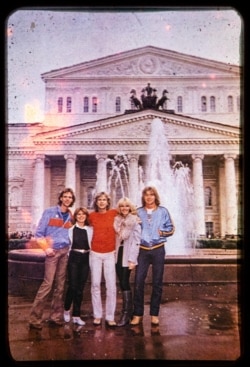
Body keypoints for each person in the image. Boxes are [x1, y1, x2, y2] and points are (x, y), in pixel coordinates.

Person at [29, 188, 76, 329]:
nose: (67, 199)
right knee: (48, 284)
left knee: (60, 285)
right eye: (65, 196)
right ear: (60, 198)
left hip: (64, 251)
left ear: (72, 200)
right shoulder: (49, 212)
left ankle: (55, 316)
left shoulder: (70, 215)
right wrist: (46, 248)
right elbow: (38, 234)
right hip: (52, 252)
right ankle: (34, 318)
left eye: (70, 197)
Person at [130, 186, 175, 326]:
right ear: (143, 197)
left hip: (158, 249)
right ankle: (137, 314)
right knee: (138, 282)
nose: (149, 197)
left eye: (152, 195)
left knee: (157, 282)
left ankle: (154, 314)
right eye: (146, 195)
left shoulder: (163, 211)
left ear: (155, 197)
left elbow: (171, 228)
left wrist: (162, 232)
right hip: (142, 250)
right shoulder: (138, 212)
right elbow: (132, 229)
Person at [88, 191, 118, 327]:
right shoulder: (91, 216)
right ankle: (97, 315)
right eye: (99, 200)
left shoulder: (114, 213)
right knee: (95, 284)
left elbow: (128, 213)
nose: (101, 202)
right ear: (96, 202)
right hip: (95, 253)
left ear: (108, 202)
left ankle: (110, 316)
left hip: (110, 253)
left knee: (111, 286)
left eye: (104, 200)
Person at [113, 197, 141, 326]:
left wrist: (132, 260)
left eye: (127, 206)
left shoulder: (134, 221)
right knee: (122, 282)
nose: (124, 208)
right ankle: (127, 312)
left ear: (130, 208)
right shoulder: (117, 220)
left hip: (128, 255)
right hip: (118, 254)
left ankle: (126, 313)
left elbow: (136, 241)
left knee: (124, 281)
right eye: (122, 206)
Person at [63, 207, 93, 326]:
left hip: (85, 258)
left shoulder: (90, 229)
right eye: (78, 214)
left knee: (80, 288)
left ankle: (76, 315)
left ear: (86, 216)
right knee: (73, 286)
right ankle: (66, 309)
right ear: (75, 216)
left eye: (83, 214)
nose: (81, 216)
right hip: (74, 258)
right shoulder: (70, 229)